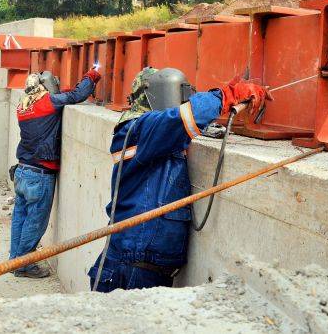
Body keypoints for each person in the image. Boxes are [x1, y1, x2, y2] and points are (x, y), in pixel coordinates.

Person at [88, 67, 269, 291]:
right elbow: (189, 116)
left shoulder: (156, 133)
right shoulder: (139, 129)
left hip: (144, 266)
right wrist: (227, 95)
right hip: (131, 268)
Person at [10, 67, 100, 278]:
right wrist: (91, 76)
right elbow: (76, 95)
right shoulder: (48, 103)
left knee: (19, 218)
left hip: (23, 171)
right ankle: (24, 265)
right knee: (35, 222)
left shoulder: (23, 106)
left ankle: (15, 260)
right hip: (40, 175)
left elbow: (62, 94)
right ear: (43, 89)